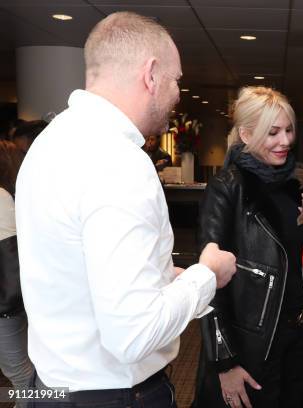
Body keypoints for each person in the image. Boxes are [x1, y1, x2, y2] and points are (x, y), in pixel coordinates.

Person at [15, 11, 236, 407]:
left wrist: (160, 277)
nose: (177, 93)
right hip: (111, 396)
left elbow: (78, 263)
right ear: (150, 74)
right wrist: (205, 276)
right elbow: (133, 335)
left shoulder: (50, 143)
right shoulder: (117, 162)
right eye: (175, 80)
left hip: (51, 389)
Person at [192, 86, 303, 408]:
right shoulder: (227, 188)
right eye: (272, 132)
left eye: (289, 130)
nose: (285, 141)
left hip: (299, 335)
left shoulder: (295, 185)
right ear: (246, 134)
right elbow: (207, 283)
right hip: (252, 343)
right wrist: (225, 361)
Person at [0, 141, 33, 408]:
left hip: (5, 305)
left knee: (22, 374)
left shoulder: (1, 198)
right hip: (11, 302)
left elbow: (10, 254)